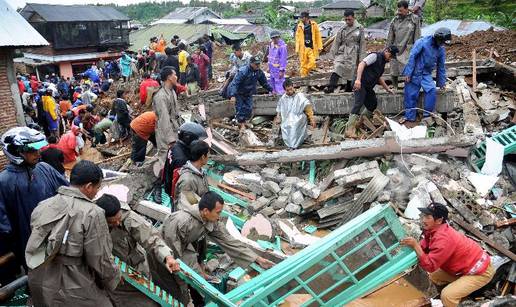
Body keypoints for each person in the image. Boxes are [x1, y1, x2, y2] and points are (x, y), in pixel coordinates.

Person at [25, 160, 120, 306]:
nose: (96, 193)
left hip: (40, 278)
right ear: (89, 187)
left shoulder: (43, 205)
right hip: (73, 283)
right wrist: (114, 278)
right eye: (97, 188)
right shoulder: (93, 213)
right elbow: (100, 258)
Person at [156, 191, 274, 306]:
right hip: (162, 255)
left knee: (193, 282)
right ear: (206, 211)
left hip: (184, 251)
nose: (219, 216)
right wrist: (192, 274)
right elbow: (173, 255)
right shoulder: (180, 221)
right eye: (218, 212)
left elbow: (229, 241)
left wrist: (257, 259)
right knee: (174, 292)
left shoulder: (210, 220)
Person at [0, 127, 68, 285]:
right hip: (28, 241)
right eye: (32, 150)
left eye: (38, 149)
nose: (38, 154)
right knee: (42, 280)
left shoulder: (44, 168)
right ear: (16, 152)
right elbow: (4, 225)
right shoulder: (4, 181)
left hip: (57, 233)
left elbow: (66, 191)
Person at [401, 203, 495, 307]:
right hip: (465, 267)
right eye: (424, 216)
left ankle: (450, 300)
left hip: (480, 272)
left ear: (439, 220)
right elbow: (425, 244)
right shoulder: (436, 229)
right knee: (435, 277)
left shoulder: (443, 239)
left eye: (428, 217)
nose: (423, 220)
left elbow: (430, 266)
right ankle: (456, 300)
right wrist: (417, 247)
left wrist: (415, 246)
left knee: (448, 295)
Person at [95, 194, 179, 307]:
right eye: (112, 223)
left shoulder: (128, 217)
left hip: (137, 271)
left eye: (119, 219)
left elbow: (151, 238)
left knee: (148, 301)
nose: (118, 224)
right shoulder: (92, 224)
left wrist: (167, 257)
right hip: (113, 276)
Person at [346, 46, 398, 138]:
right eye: (390, 56)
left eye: (392, 57)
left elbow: (378, 77)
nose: (390, 59)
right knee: (359, 103)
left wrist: (387, 89)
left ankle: (360, 123)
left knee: (372, 103)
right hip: (360, 83)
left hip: (368, 86)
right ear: (386, 51)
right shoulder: (375, 56)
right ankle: (349, 130)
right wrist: (358, 80)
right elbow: (361, 64)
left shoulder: (382, 64)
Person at [401, 27, 450, 124]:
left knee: (431, 90)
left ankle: (427, 115)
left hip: (426, 74)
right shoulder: (422, 42)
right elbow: (412, 56)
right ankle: (410, 117)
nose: (443, 44)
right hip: (414, 72)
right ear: (438, 39)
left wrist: (441, 82)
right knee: (411, 94)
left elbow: (441, 66)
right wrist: (408, 73)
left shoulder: (441, 49)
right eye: (442, 42)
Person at [163, 122, 207, 199]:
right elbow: (187, 194)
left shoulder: (175, 146)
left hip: (168, 182)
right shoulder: (182, 161)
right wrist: (196, 207)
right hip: (175, 193)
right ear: (189, 138)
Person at [326, 10, 366, 93]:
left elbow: (362, 43)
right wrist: (332, 54)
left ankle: (348, 88)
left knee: (351, 70)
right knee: (337, 66)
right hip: (343, 50)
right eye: (346, 19)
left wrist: (362, 58)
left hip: (354, 52)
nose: (347, 21)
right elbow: (337, 41)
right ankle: (331, 87)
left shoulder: (360, 28)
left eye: (349, 19)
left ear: (354, 18)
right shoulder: (342, 28)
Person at [228, 56, 273, 130]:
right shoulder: (243, 71)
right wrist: (233, 95)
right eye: (256, 64)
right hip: (239, 92)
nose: (258, 65)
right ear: (251, 64)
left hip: (248, 92)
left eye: (259, 64)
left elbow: (264, 82)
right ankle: (241, 124)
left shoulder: (259, 72)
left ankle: (244, 122)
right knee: (240, 108)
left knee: (249, 108)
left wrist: (271, 89)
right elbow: (235, 83)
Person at [386, 1, 421, 90]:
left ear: (406, 9)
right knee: (394, 69)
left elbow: (417, 36)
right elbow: (390, 36)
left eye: (401, 10)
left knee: (409, 69)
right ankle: (395, 87)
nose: (399, 12)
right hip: (396, 48)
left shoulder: (414, 19)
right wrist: (387, 49)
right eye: (398, 10)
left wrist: (417, 49)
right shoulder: (395, 20)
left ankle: (409, 87)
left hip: (408, 48)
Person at [275, 79, 316, 149]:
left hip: (299, 116)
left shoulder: (299, 96)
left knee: (294, 125)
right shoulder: (283, 98)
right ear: (285, 90)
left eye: (291, 89)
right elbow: (279, 109)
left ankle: (294, 145)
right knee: (285, 126)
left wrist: (311, 118)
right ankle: (290, 145)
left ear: (293, 87)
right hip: (287, 118)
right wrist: (278, 117)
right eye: (287, 90)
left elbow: (307, 107)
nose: (290, 91)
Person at [153, 66, 181, 165]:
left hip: (174, 128)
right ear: (169, 77)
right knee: (166, 159)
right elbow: (164, 118)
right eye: (175, 75)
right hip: (165, 132)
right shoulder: (161, 96)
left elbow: (176, 113)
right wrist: (170, 139)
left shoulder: (172, 91)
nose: (176, 77)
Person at [174, 140, 210, 210]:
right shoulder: (188, 181)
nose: (209, 157)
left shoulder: (200, 171)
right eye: (208, 154)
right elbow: (192, 203)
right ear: (203, 157)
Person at [295, 12, 323, 77]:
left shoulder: (313, 24)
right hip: (303, 48)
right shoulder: (299, 26)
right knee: (303, 63)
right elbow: (297, 38)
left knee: (312, 63)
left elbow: (317, 35)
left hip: (311, 47)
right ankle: (303, 78)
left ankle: (306, 70)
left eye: (302, 17)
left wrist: (320, 46)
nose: (301, 19)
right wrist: (297, 49)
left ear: (306, 18)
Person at [267, 31, 288, 95]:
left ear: (279, 37)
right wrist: (269, 67)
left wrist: (281, 70)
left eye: (276, 37)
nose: (275, 39)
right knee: (272, 84)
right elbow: (270, 56)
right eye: (273, 38)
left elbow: (283, 59)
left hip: (278, 69)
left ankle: (280, 98)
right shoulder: (271, 44)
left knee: (279, 85)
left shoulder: (282, 46)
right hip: (272, 69)